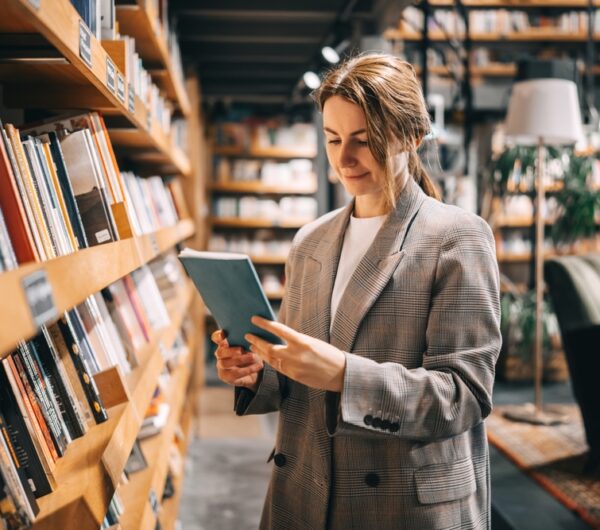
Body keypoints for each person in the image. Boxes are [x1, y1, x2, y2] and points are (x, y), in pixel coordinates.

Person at [211, 53, 501, 530]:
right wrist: (255, 373)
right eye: (332, 139)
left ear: (413, 137)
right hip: (305, 492)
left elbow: (463, 395)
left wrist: (346, 376)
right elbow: (294, 379)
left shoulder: (457, 238)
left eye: (364, 141)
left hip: (402, 505)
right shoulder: (311, 242)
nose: (344, 158)